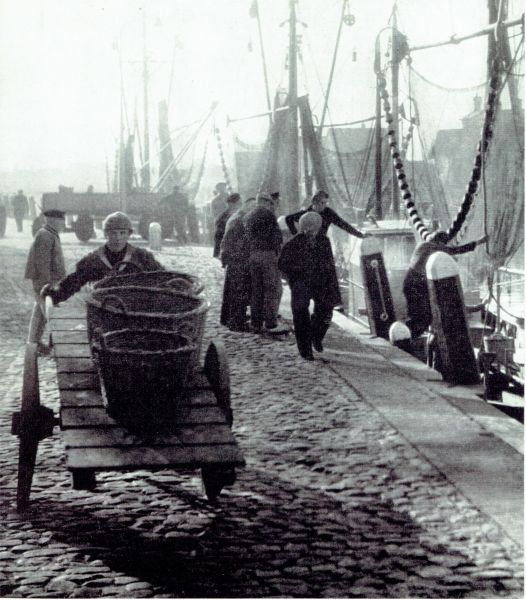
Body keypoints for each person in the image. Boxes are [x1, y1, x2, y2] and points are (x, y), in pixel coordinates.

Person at [41, 211, 164, 305]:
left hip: (136, 310)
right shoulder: (94, 259)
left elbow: (163, 277)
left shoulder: (142, 257)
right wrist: (54, 295)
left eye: (122, 233)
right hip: (104, 311)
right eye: (113, 233)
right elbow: (74, 281)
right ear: (106, 234)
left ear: (129, 234)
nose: (118, 238)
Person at [285, 190, 367, 310]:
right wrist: (296, 234)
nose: (324, 206)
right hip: (308, 247)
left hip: (322, 246)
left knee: (329, 272)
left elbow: (343, 224)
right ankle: (313, 298)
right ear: (314, 203)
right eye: (322, 203)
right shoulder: (307, 214)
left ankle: (335, 302)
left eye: (325, 203)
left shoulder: (328, 213)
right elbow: (288, 219)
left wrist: (359, 235)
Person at [403, 230, 488, 339]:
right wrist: (479, 242)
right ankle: (410, 338)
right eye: (444, 244)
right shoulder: (434, 247)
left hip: (409, 281)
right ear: (440, 242)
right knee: (426, 316)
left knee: (414, 315)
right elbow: (456, 250)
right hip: (417, 284)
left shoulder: (422, 245)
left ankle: (404, 338)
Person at [278, 212, 334, 361]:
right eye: (311, 229)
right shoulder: (292, 244)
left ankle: (316, 336)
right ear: (304, 228)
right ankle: (305, 350)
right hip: (300, 283)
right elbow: (282, 265)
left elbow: (330, 266)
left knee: (326, 310)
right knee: (300, 314)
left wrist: (333, 289)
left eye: (316, 229)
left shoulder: (324, 242)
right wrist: (294, 277)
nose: (314, 232)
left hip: (320, 282)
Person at [24, 209, 66, 354]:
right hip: (45, 282)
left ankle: (33, 343)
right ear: (52, 220)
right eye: (61, 220)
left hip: (47, 282)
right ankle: (56, 346)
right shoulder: (45, 235)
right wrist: (47, 285)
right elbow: (42, 263)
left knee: (39, 313)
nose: (63, 223)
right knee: (50, 313)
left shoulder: (49, 234)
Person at [244, 192, 287, 334]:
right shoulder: (268, 215)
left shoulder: (249, 216)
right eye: (270, 203)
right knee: (272, 289)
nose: (271, 206)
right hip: (267, 255)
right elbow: (277, 237)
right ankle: (270, 323)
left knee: (257, 290)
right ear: (265, 202)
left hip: (253, 255)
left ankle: (256, 322)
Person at [219, 196, 256, 330]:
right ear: (246, 206)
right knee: (238, 291)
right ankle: (236, 322)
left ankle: (227, 318)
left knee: (231, 290)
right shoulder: (240, 220)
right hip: (238, 259)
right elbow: (235, 241)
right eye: (252, 207)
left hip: (234, 258)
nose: (253, 210)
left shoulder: (237, 217)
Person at [213, 193, 242, 259]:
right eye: (239, 203)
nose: (241, 206)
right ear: (231, 204)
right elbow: (218, 237)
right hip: (227, 250)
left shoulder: (239, 215)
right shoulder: (223, 218)